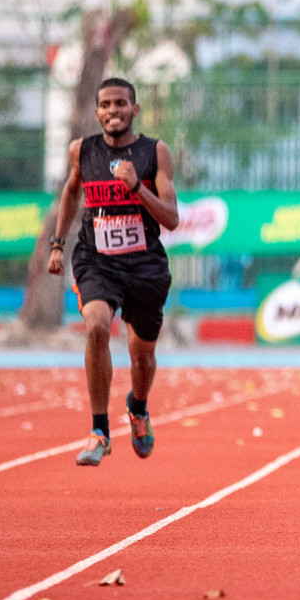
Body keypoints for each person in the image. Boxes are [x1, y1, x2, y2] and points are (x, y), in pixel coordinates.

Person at [48, 77, 179, 466]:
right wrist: (58, 244)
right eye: (105, 105)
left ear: (134, 110)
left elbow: (171, 218)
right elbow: (72, 191)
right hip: (96, 259)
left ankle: (138, 407)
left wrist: (137, 186)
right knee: (97, 326)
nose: (112, 111)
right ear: (96, 112)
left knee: (141, 357)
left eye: (120, 104)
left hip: (144, 266)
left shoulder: (155, 152)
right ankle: (100, 430)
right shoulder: (82, 151)